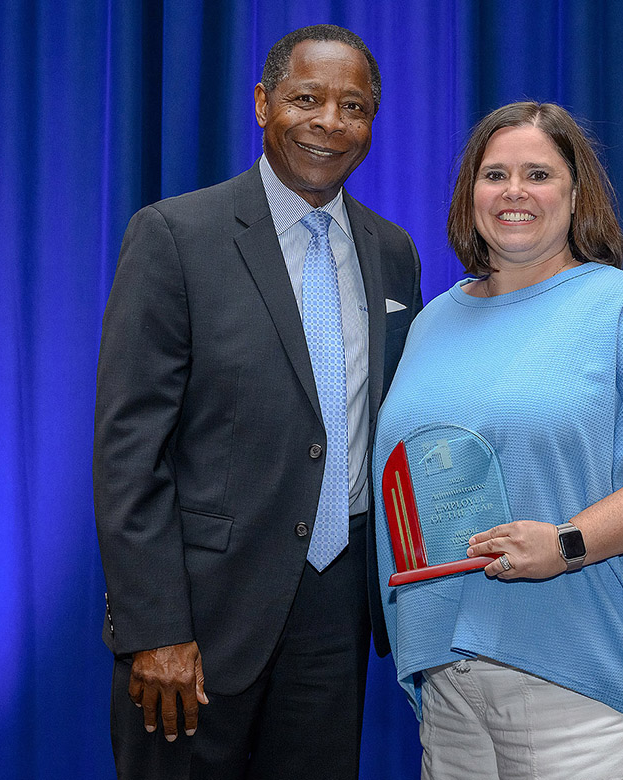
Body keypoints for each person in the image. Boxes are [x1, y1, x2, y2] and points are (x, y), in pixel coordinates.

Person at [94, 24, 422, 779]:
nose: (329, 123)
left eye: (354, 106)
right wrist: (154, 627)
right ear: (262, 103)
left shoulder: (392, 250)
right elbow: (127, 448)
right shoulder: (175, 235)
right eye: (307, 99)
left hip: (337, 615)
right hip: (196, 623)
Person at [373, 102, 623, 780]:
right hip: (449, 689)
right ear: (469, 194)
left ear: (575, 194)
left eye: (538, 173)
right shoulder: (432, 323)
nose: (513, 192)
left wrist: (568, 543)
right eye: (494, 173)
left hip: (589, 689)